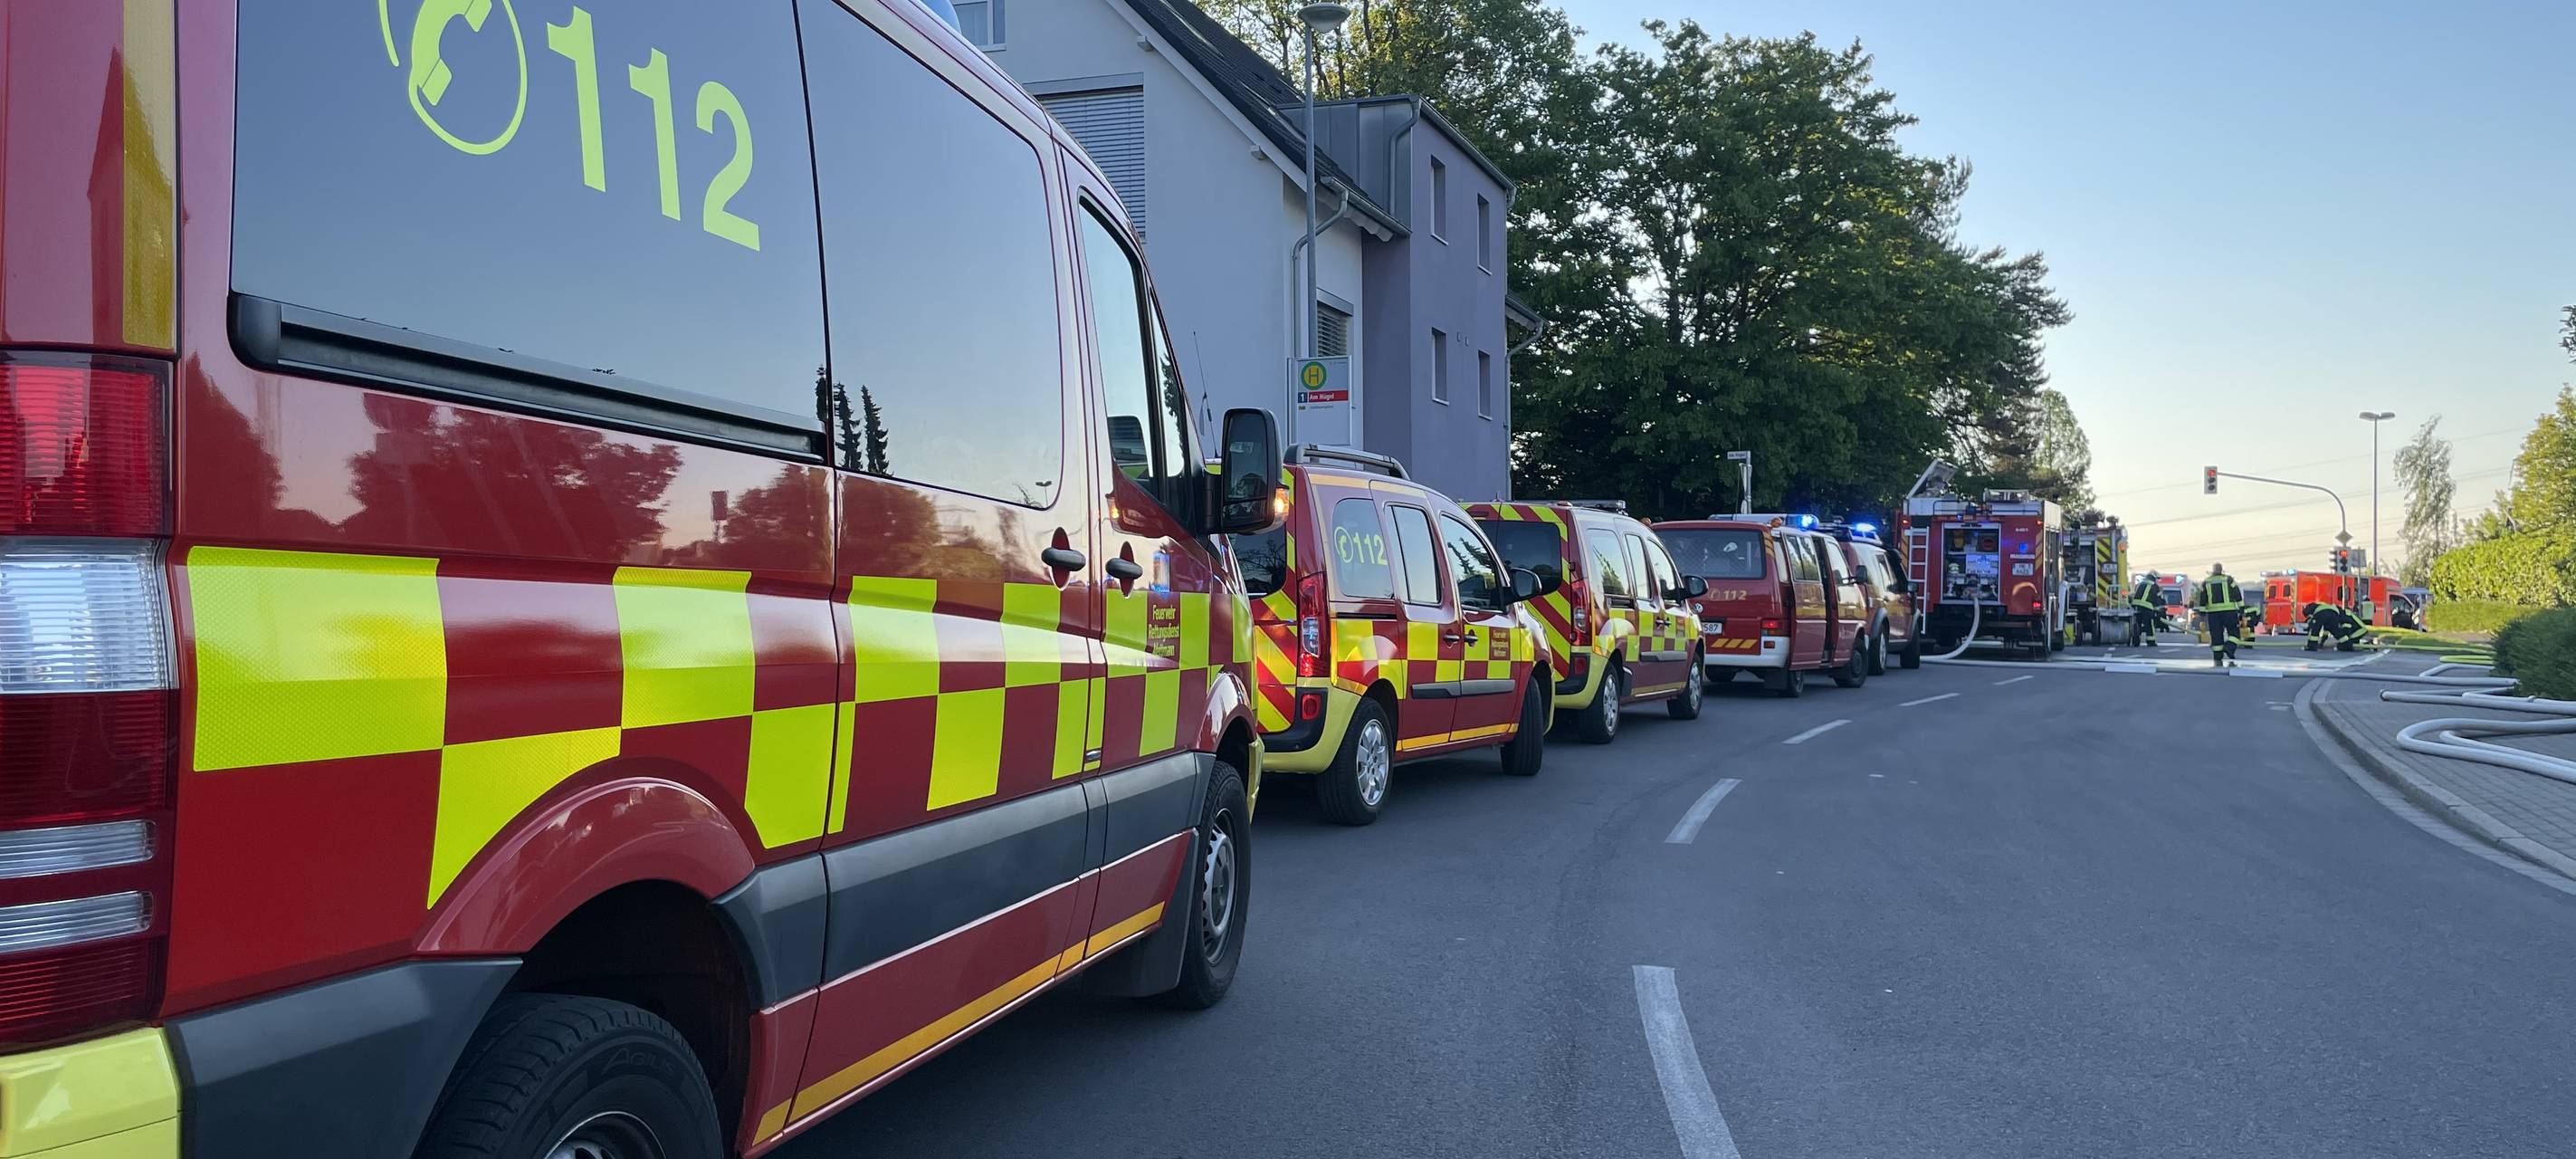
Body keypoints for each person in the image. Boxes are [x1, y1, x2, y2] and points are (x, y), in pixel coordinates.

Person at [2190, 562, 2243, 667]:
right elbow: (2237, 594)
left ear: (2212, 571)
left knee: (2216, 635)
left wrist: (2202, 613)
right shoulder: (2228, 580)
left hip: (2213, 613)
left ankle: (2218, 656)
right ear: (2222, 570)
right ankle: (2229, 647)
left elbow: (2203, 599)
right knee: (2234, 633)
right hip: (2229, 612)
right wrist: (2241, 608)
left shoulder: (2206, 582)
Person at [2303, 601, 2367, 652]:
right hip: (2334, 613)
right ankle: (2347, 645)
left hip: (2360, 630)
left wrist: (2312, 644)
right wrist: (2322, 642)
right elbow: (2327, 630)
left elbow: (2314, 627)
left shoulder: (2310, 609)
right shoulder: (2323, 605)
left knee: (2315, 629)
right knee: (2335, 630)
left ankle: (2312, 647)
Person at [2127, 574, 2164, 647]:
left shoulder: (2140, 584)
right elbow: (2157, 600)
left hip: (2136, 606)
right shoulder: (2154, 586)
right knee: (2149, 624)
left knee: (2137, 623)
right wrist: (2157, 611)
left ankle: (2136, 639)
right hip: (2147, 607)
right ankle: (2151, 641)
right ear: (2153, 579)